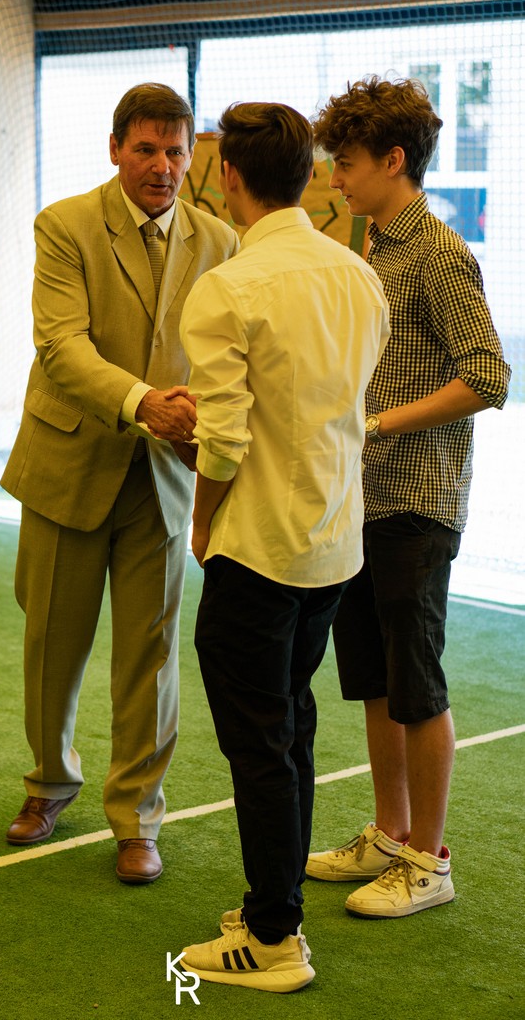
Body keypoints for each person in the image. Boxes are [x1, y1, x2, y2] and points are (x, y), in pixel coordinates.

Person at [1, 83, 238, 883]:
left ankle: (138, 818)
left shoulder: (221, 242)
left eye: (175, 151)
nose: (162, 166)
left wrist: (197, 418)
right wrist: (144, 404)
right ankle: (48, 784)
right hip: (69, 465)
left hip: (164, 478)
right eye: (145, 149)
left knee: (151, 657)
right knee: (51, 645)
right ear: (114, 149)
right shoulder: (63, 225)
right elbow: (60, 346)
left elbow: (226, 356)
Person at [177, 101, 389, 993]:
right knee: (289, 726)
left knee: (262, 742)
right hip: (332, 543)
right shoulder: (358, 276)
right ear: (309, 175)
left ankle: (272, 938)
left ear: (227, 175)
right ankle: (276, 906)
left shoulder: (228, 287)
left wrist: (201, 520)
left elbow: (223, 440)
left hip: (260, 547)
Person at [307, 76, 511, 917]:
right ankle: (390, 836)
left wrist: (380, 423)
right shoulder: (368, 249)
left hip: (417, 503)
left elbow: (489, 376)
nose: (335, 178)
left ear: (393, 160)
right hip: (362, 499)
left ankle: (428, 860)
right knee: (375, 681)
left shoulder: (436, 251)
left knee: (416, 684)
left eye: (347, 163)